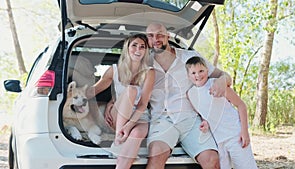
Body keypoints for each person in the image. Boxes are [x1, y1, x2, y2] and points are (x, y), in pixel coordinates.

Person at [145, 23, 231, 169]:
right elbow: (124, 83)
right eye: (151, 36)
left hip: (190, 119)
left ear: (168, 36)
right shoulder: (144, 62)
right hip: (161, 121)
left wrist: (222, 81)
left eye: (160, 34)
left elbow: (224, 75)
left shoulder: (190, 57)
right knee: (156, 155)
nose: (156, 39)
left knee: (212, 160)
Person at [86, 33, 155, 169]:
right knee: (131, 90)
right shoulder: (114, 70)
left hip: (140, 116)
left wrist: (128, 127)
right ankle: (118, 138)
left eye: (142, 47)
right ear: (127, 48)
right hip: (118, 117)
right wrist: (69, 94)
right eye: (134, 45)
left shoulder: (149, 72)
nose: (138, 50)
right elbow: (93, 91)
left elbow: (142, 104)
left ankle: (120, 155)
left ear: (146, 51)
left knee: (138, 133)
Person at [185, 56, 258, 169]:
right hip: (218, 141)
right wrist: (206, 123)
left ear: (207, 71)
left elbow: (241, 105)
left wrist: (244, 132)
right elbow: (207, 114)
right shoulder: (191, 94)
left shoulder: (216, 84)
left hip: (235, 135)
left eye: (201, 71)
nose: (198, 75)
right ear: (188, 76)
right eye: (193, 73)